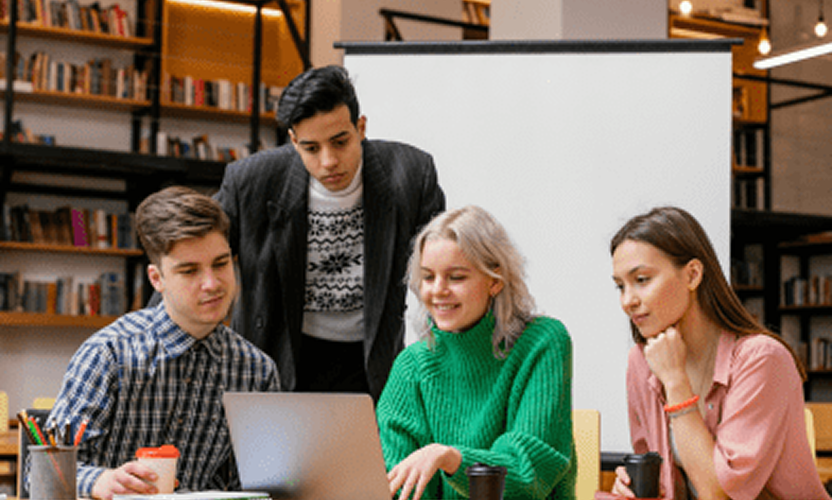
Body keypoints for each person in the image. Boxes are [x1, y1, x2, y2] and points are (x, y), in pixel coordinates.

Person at [214, 64, 445, 400]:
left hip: (370, 360)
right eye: (311, 148)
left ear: (360, 127)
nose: (329, 161)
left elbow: (442, 267)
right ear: (294, 141)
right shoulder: (252, 181)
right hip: (279, 355)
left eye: (340, 142)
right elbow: (195, 250)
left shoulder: (410, 175)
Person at [46, 186, 280, 500]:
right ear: (157, 279)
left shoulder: (257, 371)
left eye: (221, 264)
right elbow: (44, 473)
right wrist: (99, 480)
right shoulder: (108, 354)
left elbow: (258, 488)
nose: (212, 284)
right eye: (190, 271)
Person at [609, 206, 829, 500]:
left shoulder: (762, 359)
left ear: (692, 275)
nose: (627, 301)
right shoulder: (642, 362)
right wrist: (634, 488)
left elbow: (719, 494)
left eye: (642, 280)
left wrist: (675, 382)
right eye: (620, 286)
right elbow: (661, 479)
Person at [376, 205, 576, 500]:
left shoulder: (543, 342)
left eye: (456, 277)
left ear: (495, 280)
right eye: (428, 277)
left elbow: (528, 476)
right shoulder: (411, 366)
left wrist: (450, 458)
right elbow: (398, 486)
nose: (438, 290)